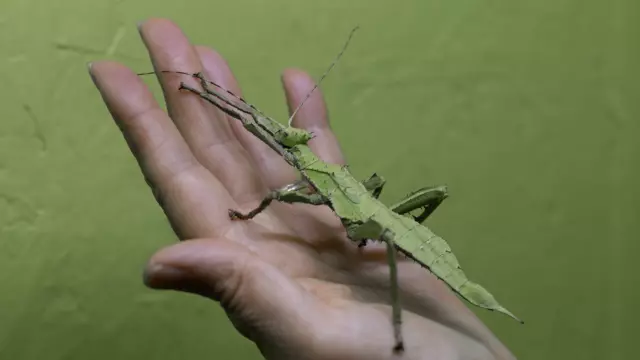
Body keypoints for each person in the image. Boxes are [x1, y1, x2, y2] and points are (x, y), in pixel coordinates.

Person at [88, 18, 516, 360]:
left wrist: (250, 214)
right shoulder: (315, 169)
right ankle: (397, 238)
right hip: (381, 222)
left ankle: (400, 326)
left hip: (383, 229)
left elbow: (270, 170)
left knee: (355, 213)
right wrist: (206, 92)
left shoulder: (319, 182)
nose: (283, 142)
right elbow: (256, 123)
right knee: (396, 209)